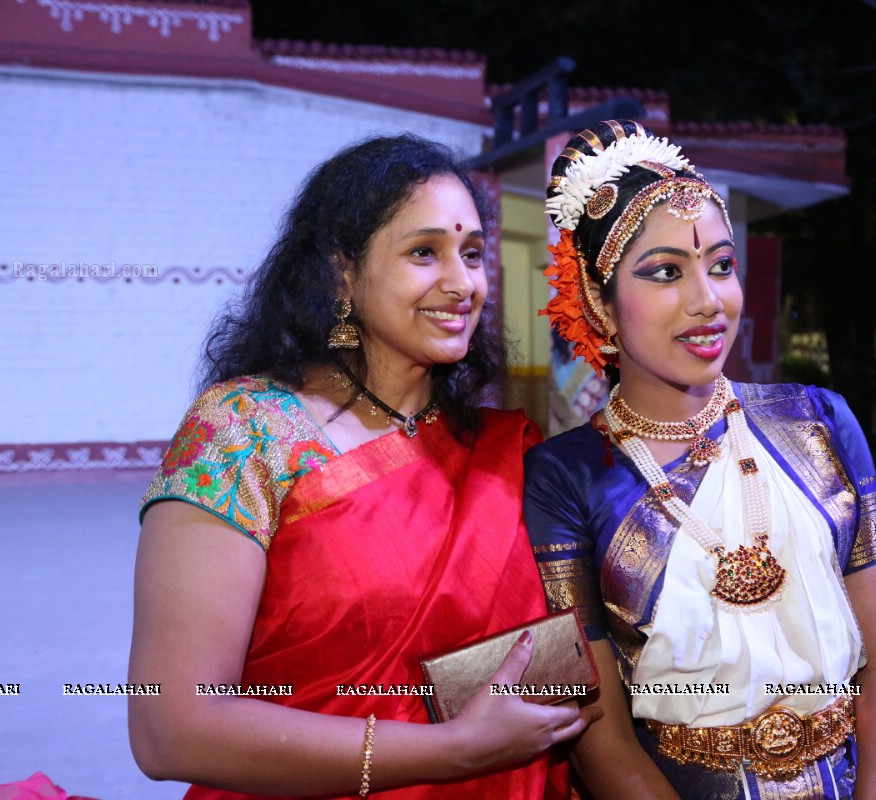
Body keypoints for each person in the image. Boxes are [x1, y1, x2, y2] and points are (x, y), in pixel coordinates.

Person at [128, 134, 597, 799]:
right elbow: (170, 727)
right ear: (341, 274)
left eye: (470, 254)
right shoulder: (246, 431)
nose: (462, 283)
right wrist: (450, 752)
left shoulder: (502, 452)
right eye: (423, 253)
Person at [525, 120, 876, 799]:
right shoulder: (565, 477)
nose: (709, 301)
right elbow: (600, 735)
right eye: (666, 272)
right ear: (600, 303)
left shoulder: (819, 421)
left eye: (722, 265)